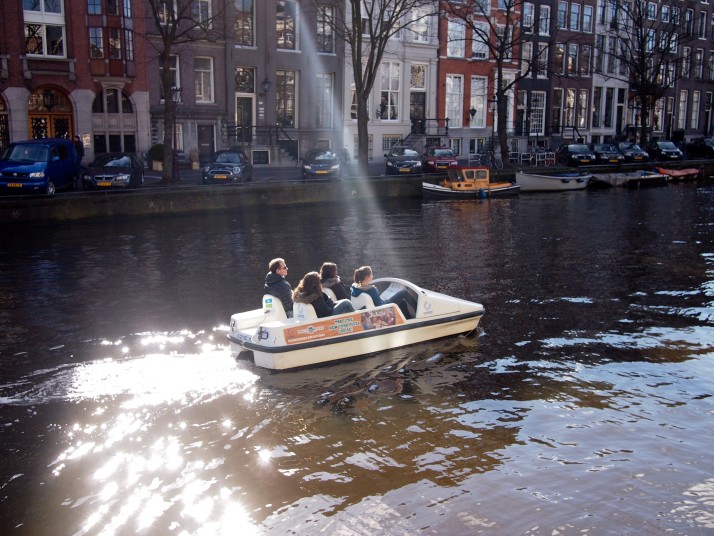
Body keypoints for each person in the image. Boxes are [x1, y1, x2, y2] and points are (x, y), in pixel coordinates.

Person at [351, 265, 417, 319]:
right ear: (367, 277)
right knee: (404, 292)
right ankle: (417, 310)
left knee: (402, 302)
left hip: (374, 308)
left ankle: (408, 319)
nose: (372, 276)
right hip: (383, 309)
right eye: (371, 274)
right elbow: (381, 306)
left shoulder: (356, 288)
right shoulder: (371, 289)